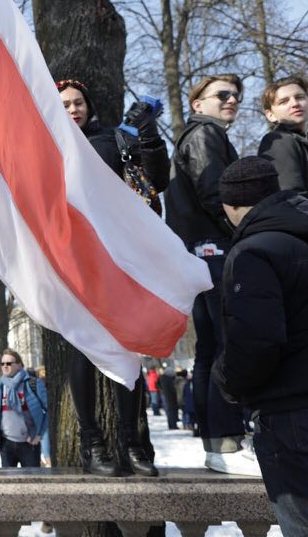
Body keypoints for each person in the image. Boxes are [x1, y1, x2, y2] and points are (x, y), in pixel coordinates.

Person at [58, 79, 166, 477]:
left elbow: (157, 182)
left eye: (79, 102)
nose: (74, 109)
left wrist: (148, 135)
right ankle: (91, 442)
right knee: (85, 346)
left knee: (128, 346)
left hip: (123, 255)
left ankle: (131, 440)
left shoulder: (114, 138)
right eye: (65, 104)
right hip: (75, 257)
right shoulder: (47, 141)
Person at [212, 156, 308, 533]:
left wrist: (227, 380)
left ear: (230, 206)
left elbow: (257, 340)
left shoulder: (254, 252)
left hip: (290, 418)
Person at [164, 73, 250, 475]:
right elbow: (216, 193)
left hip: (200, 250)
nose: (231, 99)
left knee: (210, 346)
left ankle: (218, 442)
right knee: (223, 344)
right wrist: (247, 230)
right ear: (197, 103)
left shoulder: (204, 135)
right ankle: (227, 442)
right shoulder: (203, 136)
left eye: (235, 95)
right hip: (212, 248)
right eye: (222, 94)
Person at [0, 349, 47, 468]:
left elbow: (49, 412)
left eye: (9, 363)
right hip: (6, 445)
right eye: (3, 364)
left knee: (33, 484)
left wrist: (39, 434)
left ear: (18, 365)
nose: (5, 366)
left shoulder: (33, 384)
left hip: (29, 443)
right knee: (9, 485)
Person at [258, 76, 308, 194]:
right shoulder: (277, 141)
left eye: (300, 97)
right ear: (271, 115)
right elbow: (290, 197)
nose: (295, 103)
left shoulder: (301, 141)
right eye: (284, 101)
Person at [159, 364, 179, 431]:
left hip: (164, 395)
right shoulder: (168, 379)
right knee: (172, 411)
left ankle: (171, 425)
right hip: (170, 397)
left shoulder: (161, 377)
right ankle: (173, 425)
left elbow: (157, 385)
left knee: (168, 411)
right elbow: (172, 389)